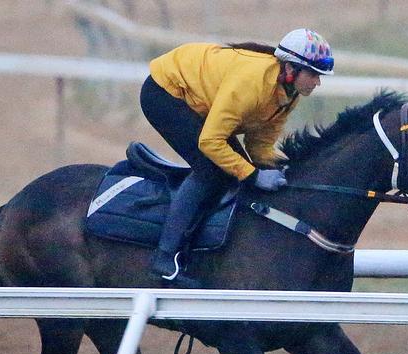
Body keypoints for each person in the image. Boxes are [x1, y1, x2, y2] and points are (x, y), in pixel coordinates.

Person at [139, 28, 334, 287]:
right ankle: (164, 259)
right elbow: (210, 141)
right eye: (313, 74)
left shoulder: (289, 94)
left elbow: (260, 145)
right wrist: (253, 174)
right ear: (290, 69)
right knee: (213, 170)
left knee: (236, 169)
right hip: (166, 92)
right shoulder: (251, 83)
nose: (317, 82)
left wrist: (282, 169)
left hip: (201, 102)